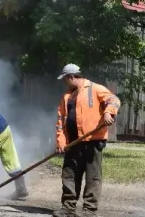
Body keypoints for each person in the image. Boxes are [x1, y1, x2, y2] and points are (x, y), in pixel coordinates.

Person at [52, 64, 121, 217]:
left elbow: (114, 99)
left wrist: (108, 113)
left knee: (92, 176)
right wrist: (61, 143)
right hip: (72, 143)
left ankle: (89, 211)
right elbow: (60, 123)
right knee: (69, 174)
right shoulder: (66, 97)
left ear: (70, 77)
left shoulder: (95, 88)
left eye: (64, 79)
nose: (64, 82)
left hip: (93, 141)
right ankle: (68, 208)